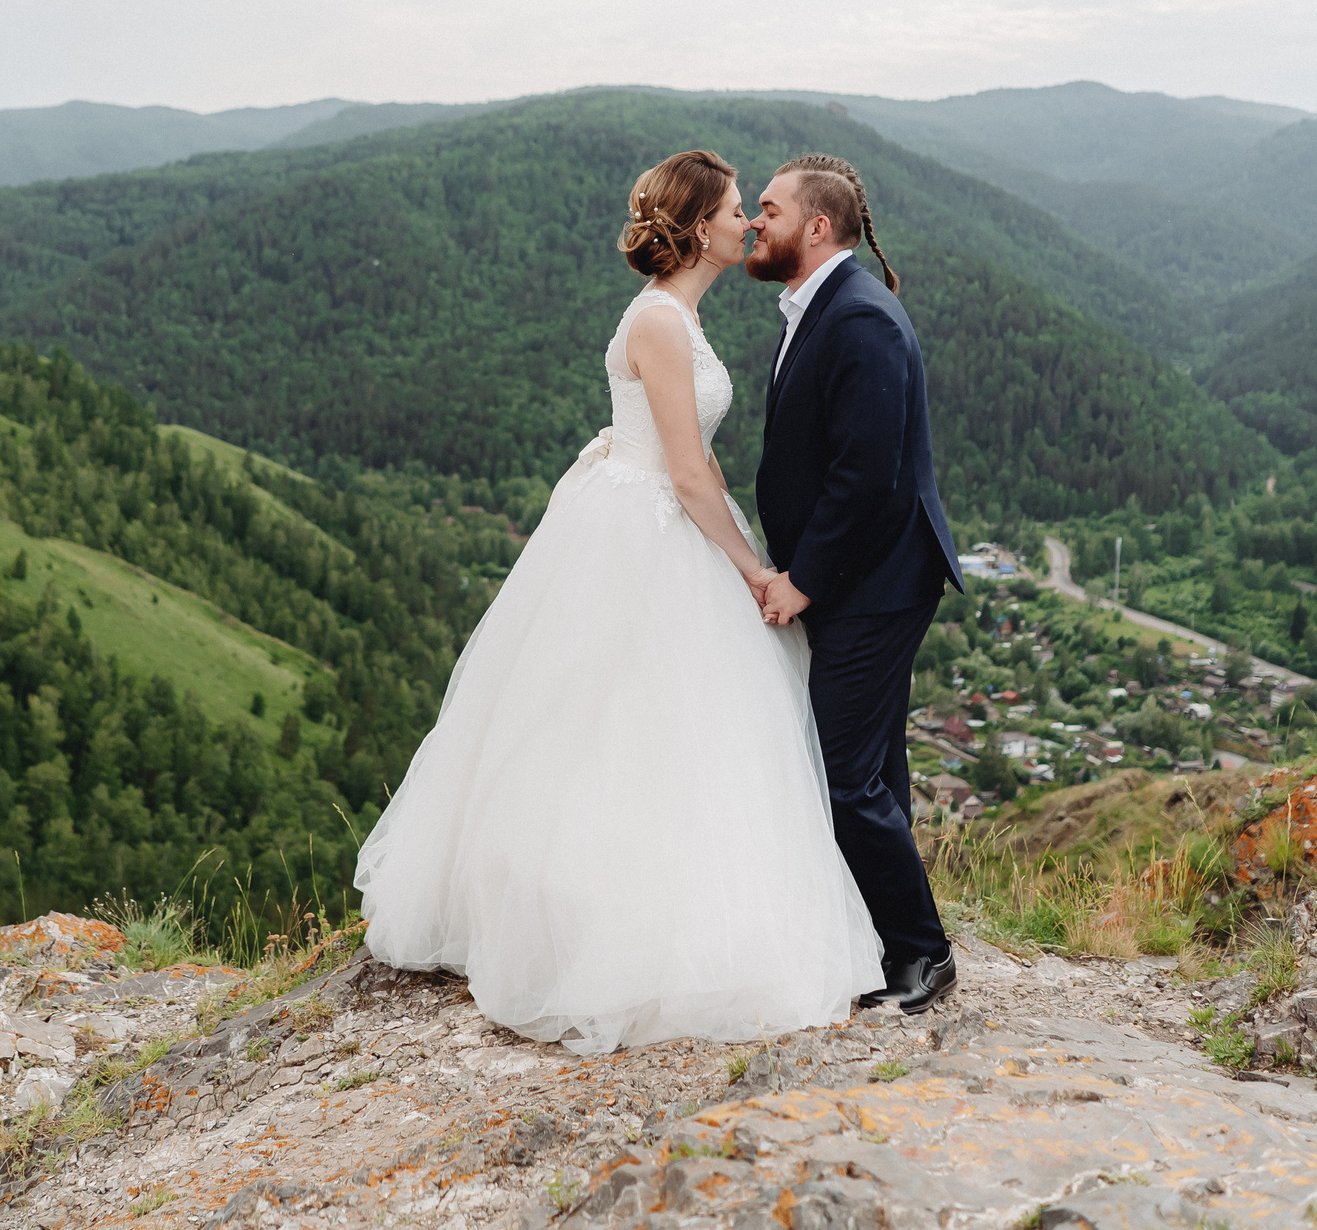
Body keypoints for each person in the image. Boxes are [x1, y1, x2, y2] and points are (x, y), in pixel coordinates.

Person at [355, 149, 880, 1054]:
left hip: (667, 519)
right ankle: (606, 928)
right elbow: (681, 470)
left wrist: (745, 552)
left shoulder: (682, 317)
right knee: (619, 724)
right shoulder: (662, 324)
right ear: (695, 226)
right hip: (645, 529)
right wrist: (751, 570)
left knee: (665, 727)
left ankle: (662, 902)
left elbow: (700, 453)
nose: (746, 224)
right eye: (730, 211)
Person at [746, 154, 965, 1013]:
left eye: (767, 209)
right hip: (861, 578)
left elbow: (868, 474)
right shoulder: (820, 308)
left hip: (874, 581)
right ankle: (889, 934)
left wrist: (802, 578)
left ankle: (923, 952)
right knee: (875, 768)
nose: (755, 222)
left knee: (840, 776)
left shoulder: (861, 319)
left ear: (818, 226)